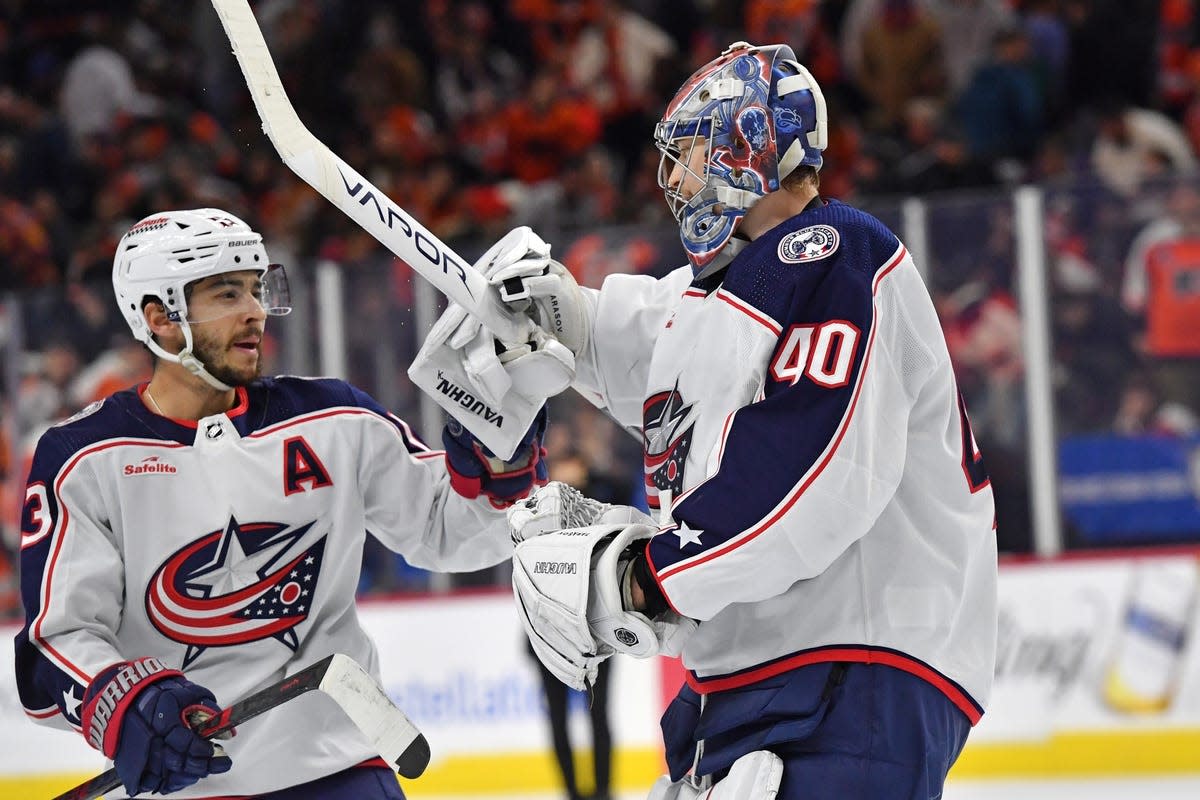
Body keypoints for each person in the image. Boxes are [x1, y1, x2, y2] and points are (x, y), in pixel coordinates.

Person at [434, 42, 998, 799]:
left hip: (847, 672)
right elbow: (651, 349)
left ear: (748, 148)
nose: (672, 178)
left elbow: (812, 472)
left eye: (691, 154)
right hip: (752, 686)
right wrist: (553, 318)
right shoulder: (724, 292)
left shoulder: (829, 252)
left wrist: (641, 578)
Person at [14, 209, 549, 799]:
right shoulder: (85, 458)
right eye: (226, 293)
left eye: (255, 288)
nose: (255, 310)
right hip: (186, 784)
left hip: (338, 770)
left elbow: (448, 530)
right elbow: (59, 641)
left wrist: (500, 461)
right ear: (159, 317)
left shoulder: (333, 419)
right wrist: (124, 703)